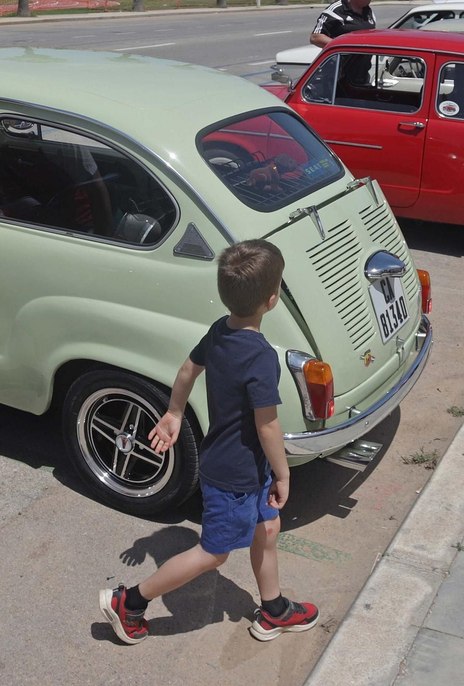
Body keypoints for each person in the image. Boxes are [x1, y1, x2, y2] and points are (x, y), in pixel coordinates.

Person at [100, 240, 318, 645]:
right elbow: (267, 425)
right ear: (271, 300)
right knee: (213, 554)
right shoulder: (260, 357)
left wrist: (175, 412)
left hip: (241, 467)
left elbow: (187, 369)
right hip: (235, 475)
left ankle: (273, 610)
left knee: (267, 528)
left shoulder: (220, 330)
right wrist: (284, 474)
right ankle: (129, 602)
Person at [310, 0, 378, 48]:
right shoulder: (335, 11)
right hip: (342, 59)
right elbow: (315, 37)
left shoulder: (368, 11)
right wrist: (346, 47)